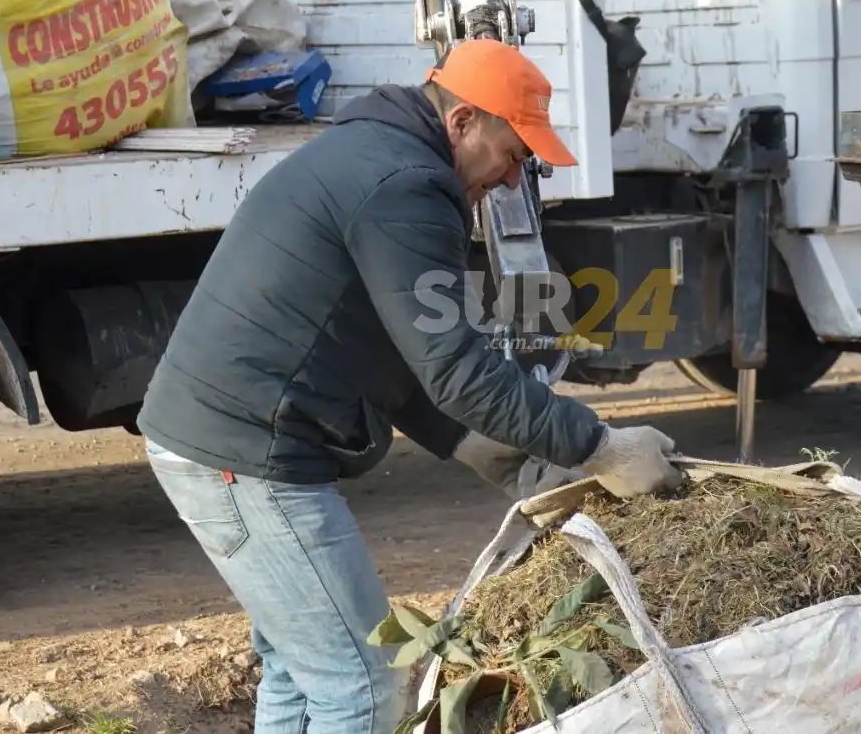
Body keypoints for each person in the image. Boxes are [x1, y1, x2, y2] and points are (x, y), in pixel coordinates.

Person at [135, 38, 683, 734]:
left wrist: (529, 463)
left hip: (221, 436)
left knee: (303, 674)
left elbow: (409, 365)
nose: (514, 180)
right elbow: (456, 369)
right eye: (514, 155)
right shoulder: (408, 189)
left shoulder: (379, 153)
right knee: (364, 680)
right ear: (462, 124)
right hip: (243, 455)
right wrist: (600, 444)